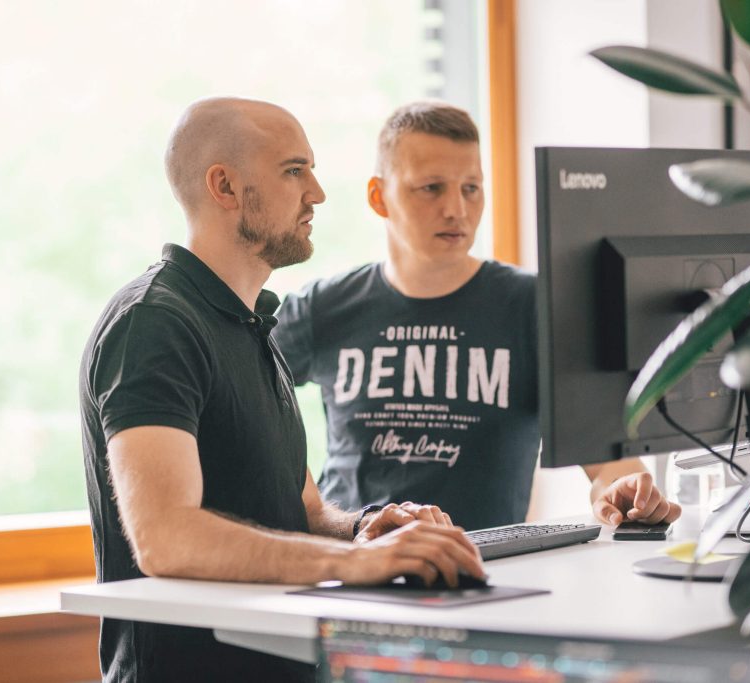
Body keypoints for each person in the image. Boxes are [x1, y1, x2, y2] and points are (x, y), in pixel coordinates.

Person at [79, 97, 485, 683]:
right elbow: (165, 537)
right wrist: (355, 562)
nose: (317, 193)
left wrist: (367, 527)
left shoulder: (253, 325)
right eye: (295, 171)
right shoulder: (154, 324)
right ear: (224, 186)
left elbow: (304, 512)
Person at [274, 101, 681, 532]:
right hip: (352, 569)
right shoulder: (323, 307)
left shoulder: (537, 306)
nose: (457, 210)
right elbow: (231, 410)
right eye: (431, 187)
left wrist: (627, 496)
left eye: (471, 188)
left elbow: (608, 466)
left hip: (485, 575)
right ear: (379, 197)